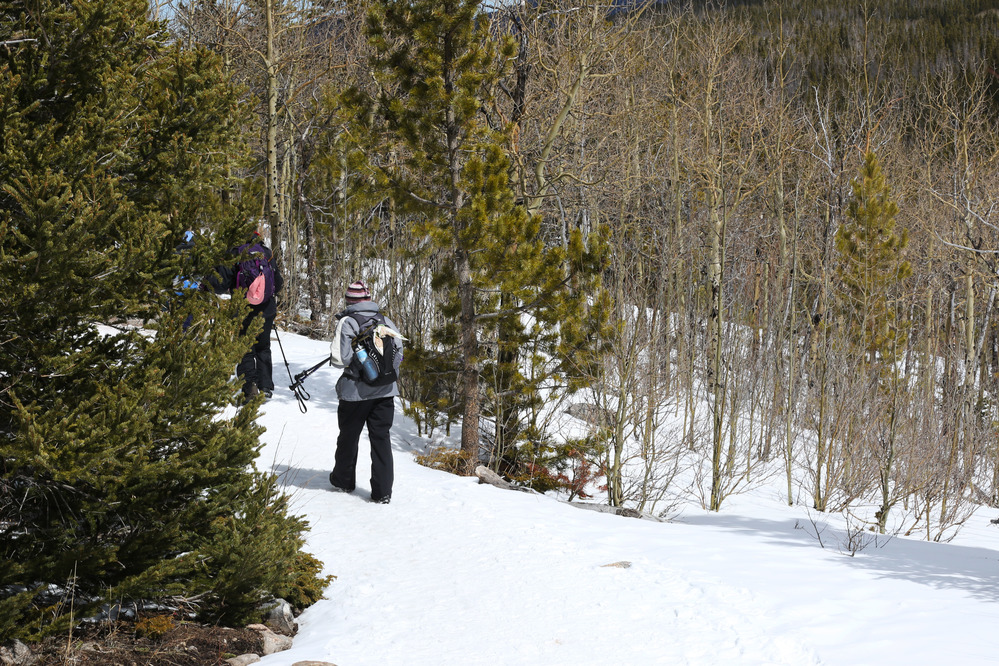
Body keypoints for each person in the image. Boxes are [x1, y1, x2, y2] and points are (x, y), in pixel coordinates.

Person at [328, 280, 403, 504]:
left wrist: (360, 368)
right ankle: (383, 493)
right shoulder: (385, 320)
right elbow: (399, 352)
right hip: (386, 391)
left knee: (348, 438)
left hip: (355, 393)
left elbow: (340, 359)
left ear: (349, 301)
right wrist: (384, 373)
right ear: (368, 299)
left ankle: (343, 481)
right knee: (381, 440)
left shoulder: (347, 322)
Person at [208, 231, 283, 401]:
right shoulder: (267, 253)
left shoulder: (235, 253)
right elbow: (278, 284)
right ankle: (265, 386)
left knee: (245, 347)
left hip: (243, 308)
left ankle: (249, 388)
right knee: (263, 346)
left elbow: (220, 283)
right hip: (267, 307)